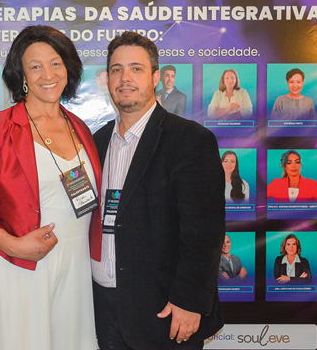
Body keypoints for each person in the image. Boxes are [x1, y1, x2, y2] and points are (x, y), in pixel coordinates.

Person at [0, 25, 103, 350]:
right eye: (35, 66)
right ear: (21, 75)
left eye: (55, 63)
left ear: (68, 68)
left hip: (74, 268)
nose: (47, 74)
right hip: (15, 268)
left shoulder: (80, 128)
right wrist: (14, 246)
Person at [92, 31, 225, 350]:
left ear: (154, 77)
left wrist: (190, 301)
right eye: (116, 69)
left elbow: (204, 232)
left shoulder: (190, 140)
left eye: (136, 69)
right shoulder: (96, 142)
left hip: (165, 312)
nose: (125, 78)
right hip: (102, 311)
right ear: (107, 79)